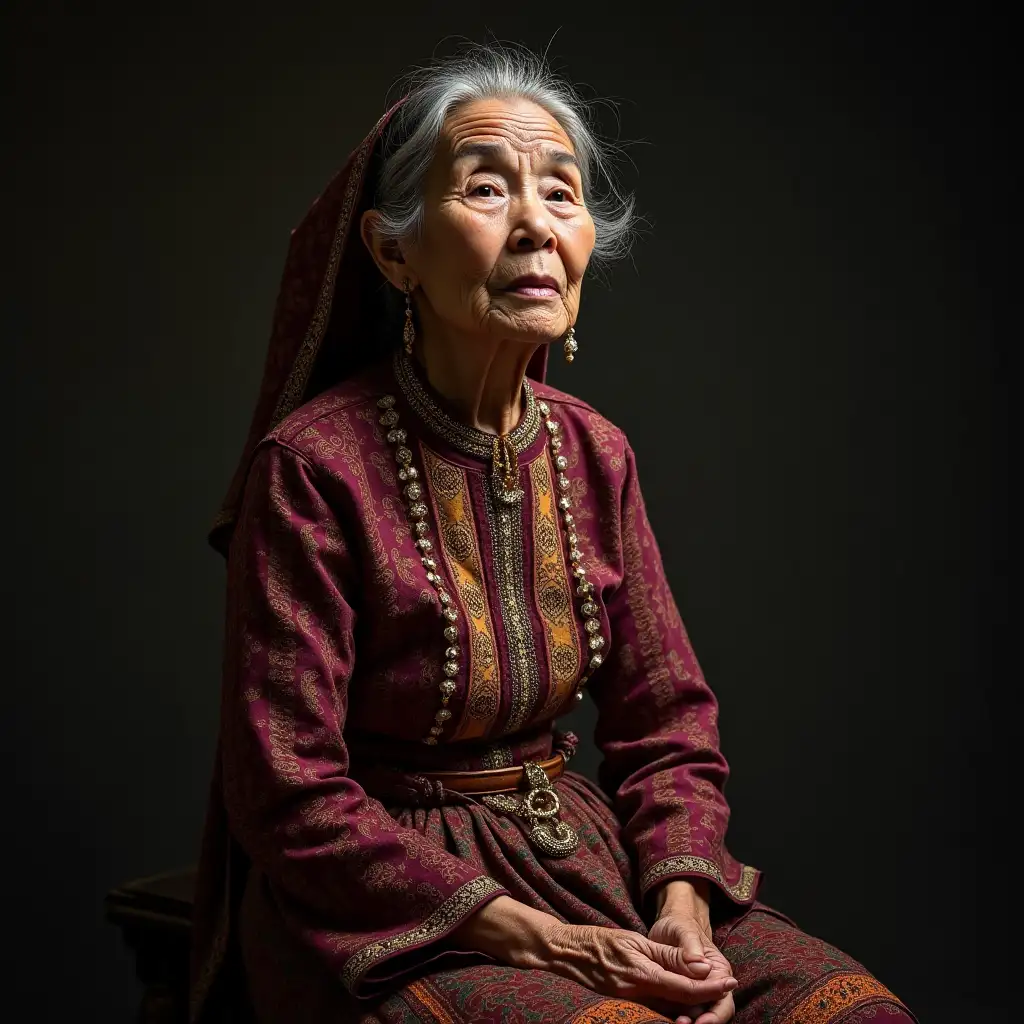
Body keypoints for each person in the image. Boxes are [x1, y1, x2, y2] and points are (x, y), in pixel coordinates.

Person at [190, 45, 916, 1024]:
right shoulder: (314, 466)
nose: (535, 222)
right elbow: (288, 792)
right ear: (392, 249)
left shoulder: (593, 451)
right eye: (486, 188)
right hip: (383, 901)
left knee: (855, 1013)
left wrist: (681, 907)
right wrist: (561, 947)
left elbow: (666, 723)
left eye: (562, 195)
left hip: (585, 855)